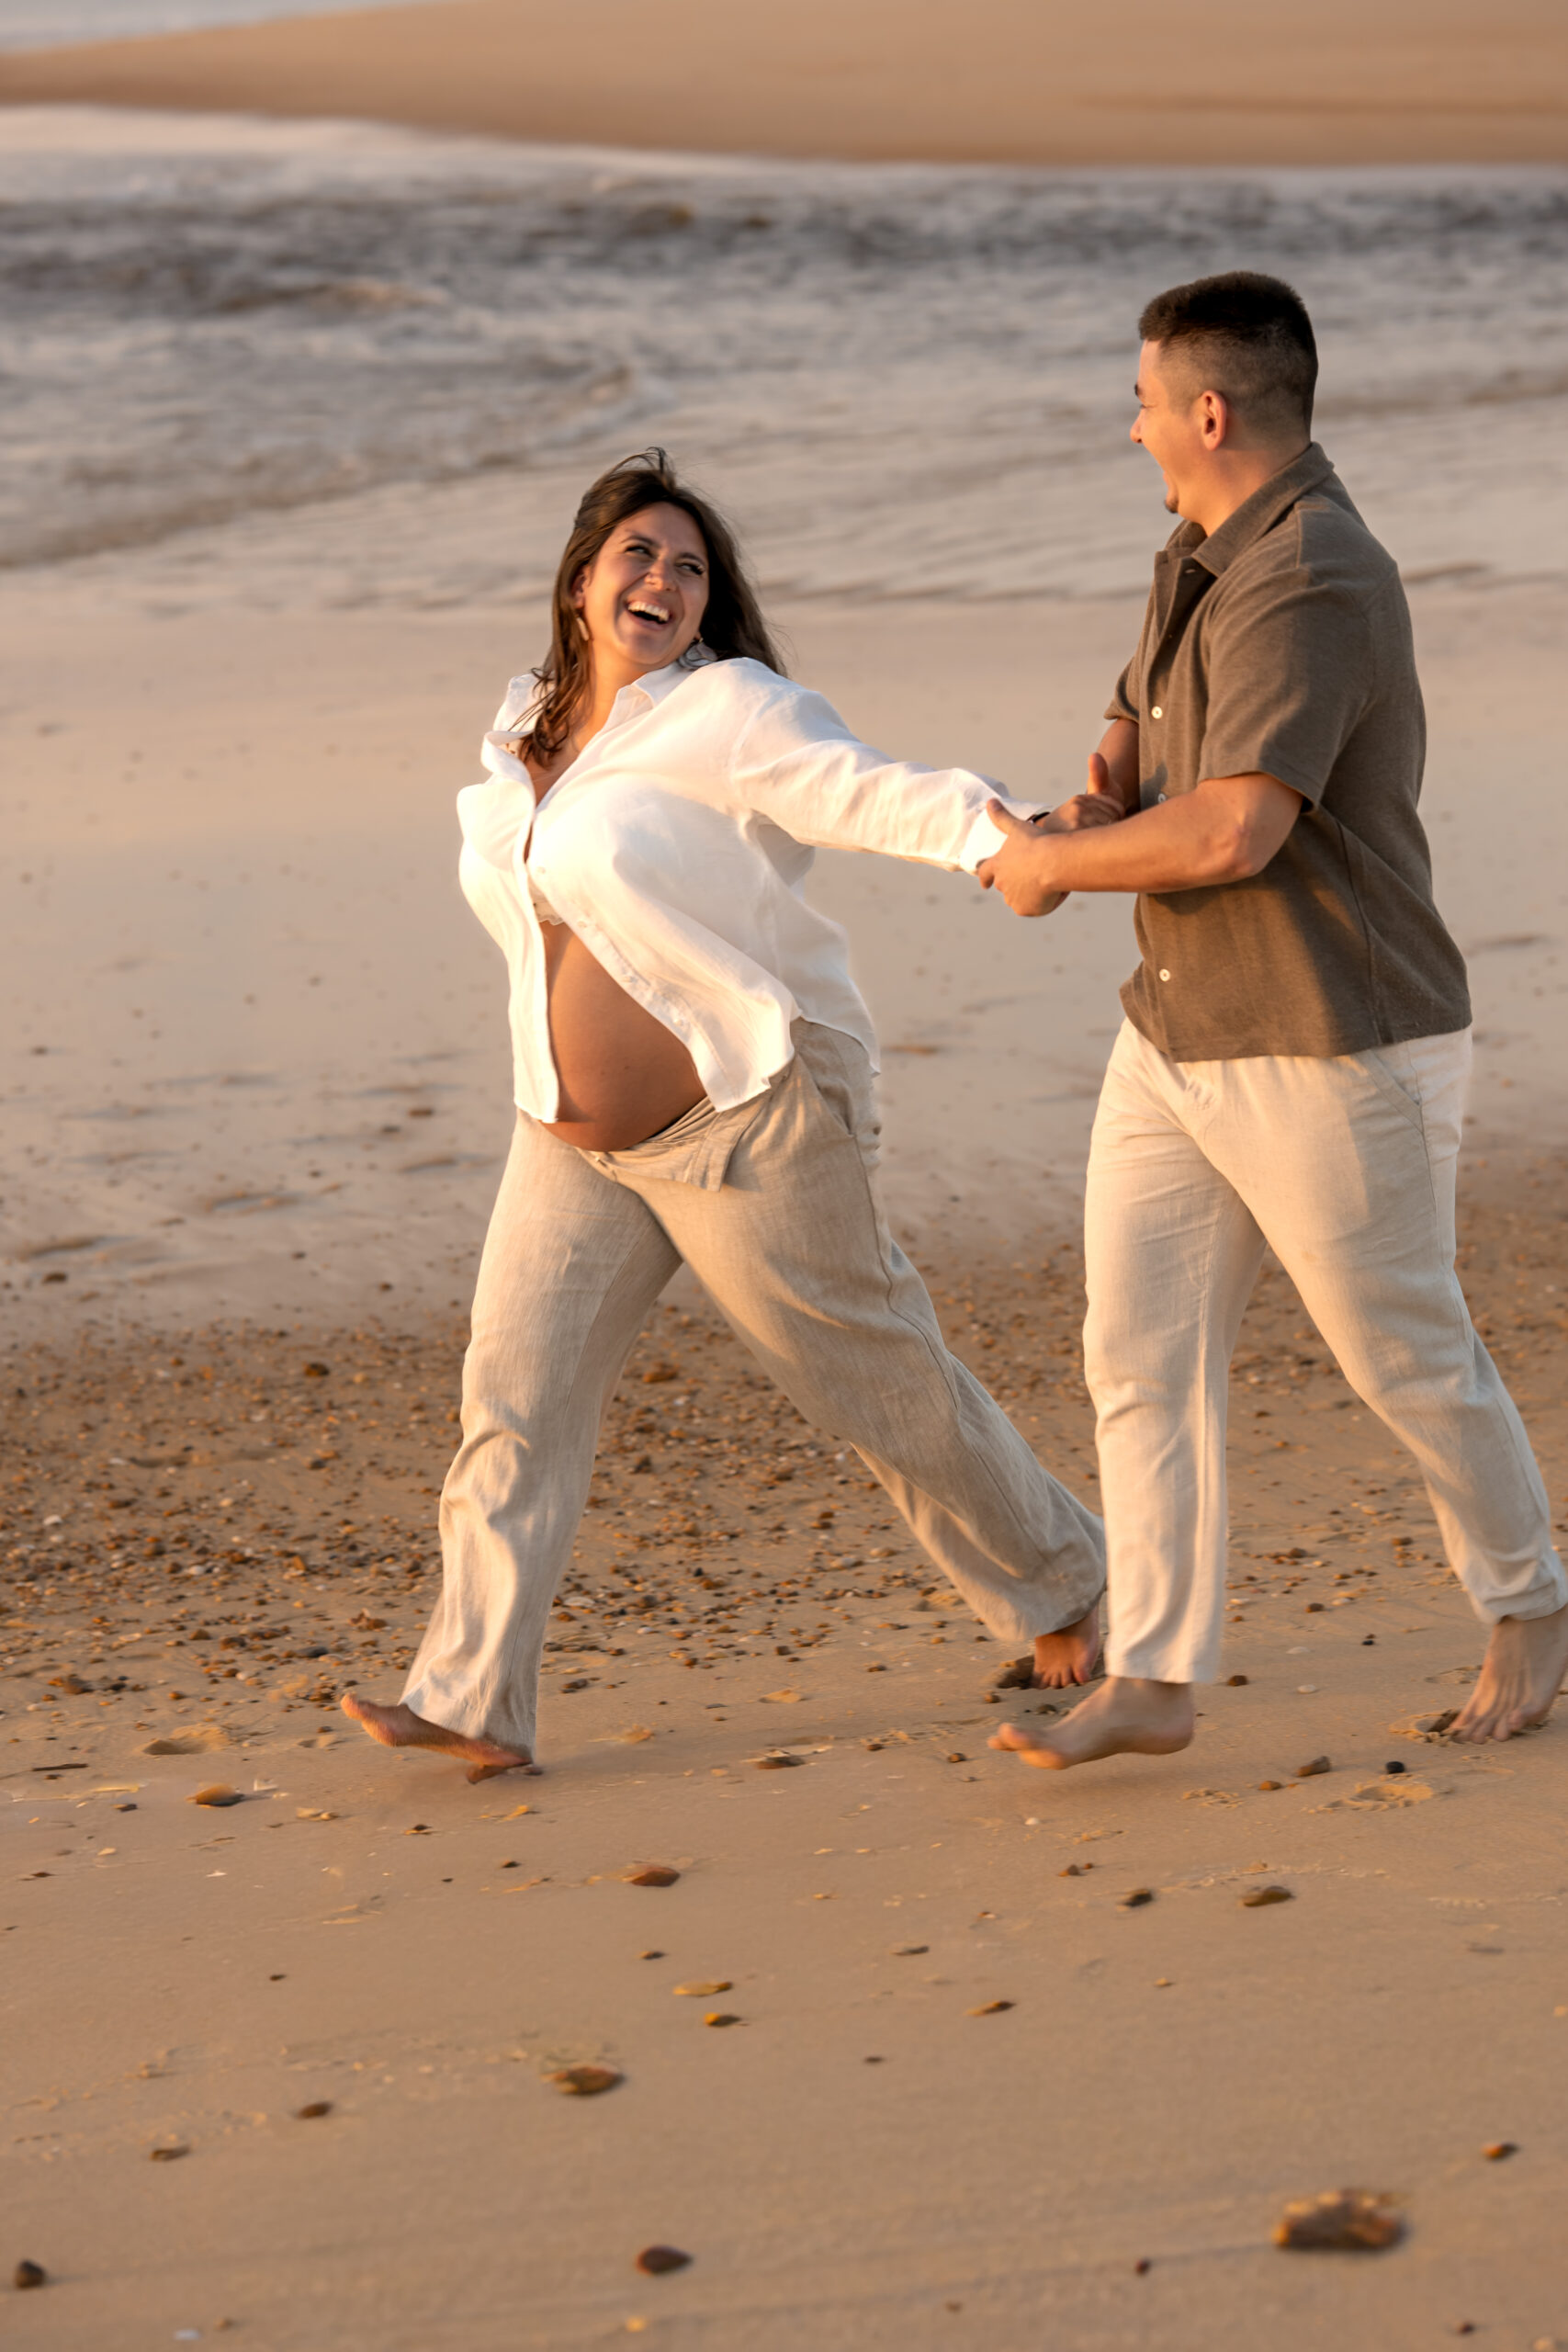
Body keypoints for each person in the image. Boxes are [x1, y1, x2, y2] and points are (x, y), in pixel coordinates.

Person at [344, 447, 1108, 1780]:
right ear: (582, 579)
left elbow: (870, 787)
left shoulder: (732, 710)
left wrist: (1013, 837)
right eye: (639, 554)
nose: (665, 580)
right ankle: (474, 1696)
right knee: (513, 1401)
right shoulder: (524, 729)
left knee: (875, 1382)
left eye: (690, 568)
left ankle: (1074, 1590)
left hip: (741, 1120)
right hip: (570, 1140)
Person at [977, 271, 1568, 1770]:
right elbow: (1130, 744)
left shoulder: (1314, 574)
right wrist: (1089, 798)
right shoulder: (1199, 547)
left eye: (1142, 400)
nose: (1132, 429)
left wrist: (1052, 864)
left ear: (1211, 411)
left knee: (1403, 1353)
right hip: (1179, 1031)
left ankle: (1532, 1602)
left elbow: (1236, 829)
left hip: (1332, 1036)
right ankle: (1159, 1677)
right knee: (1139, 1350)